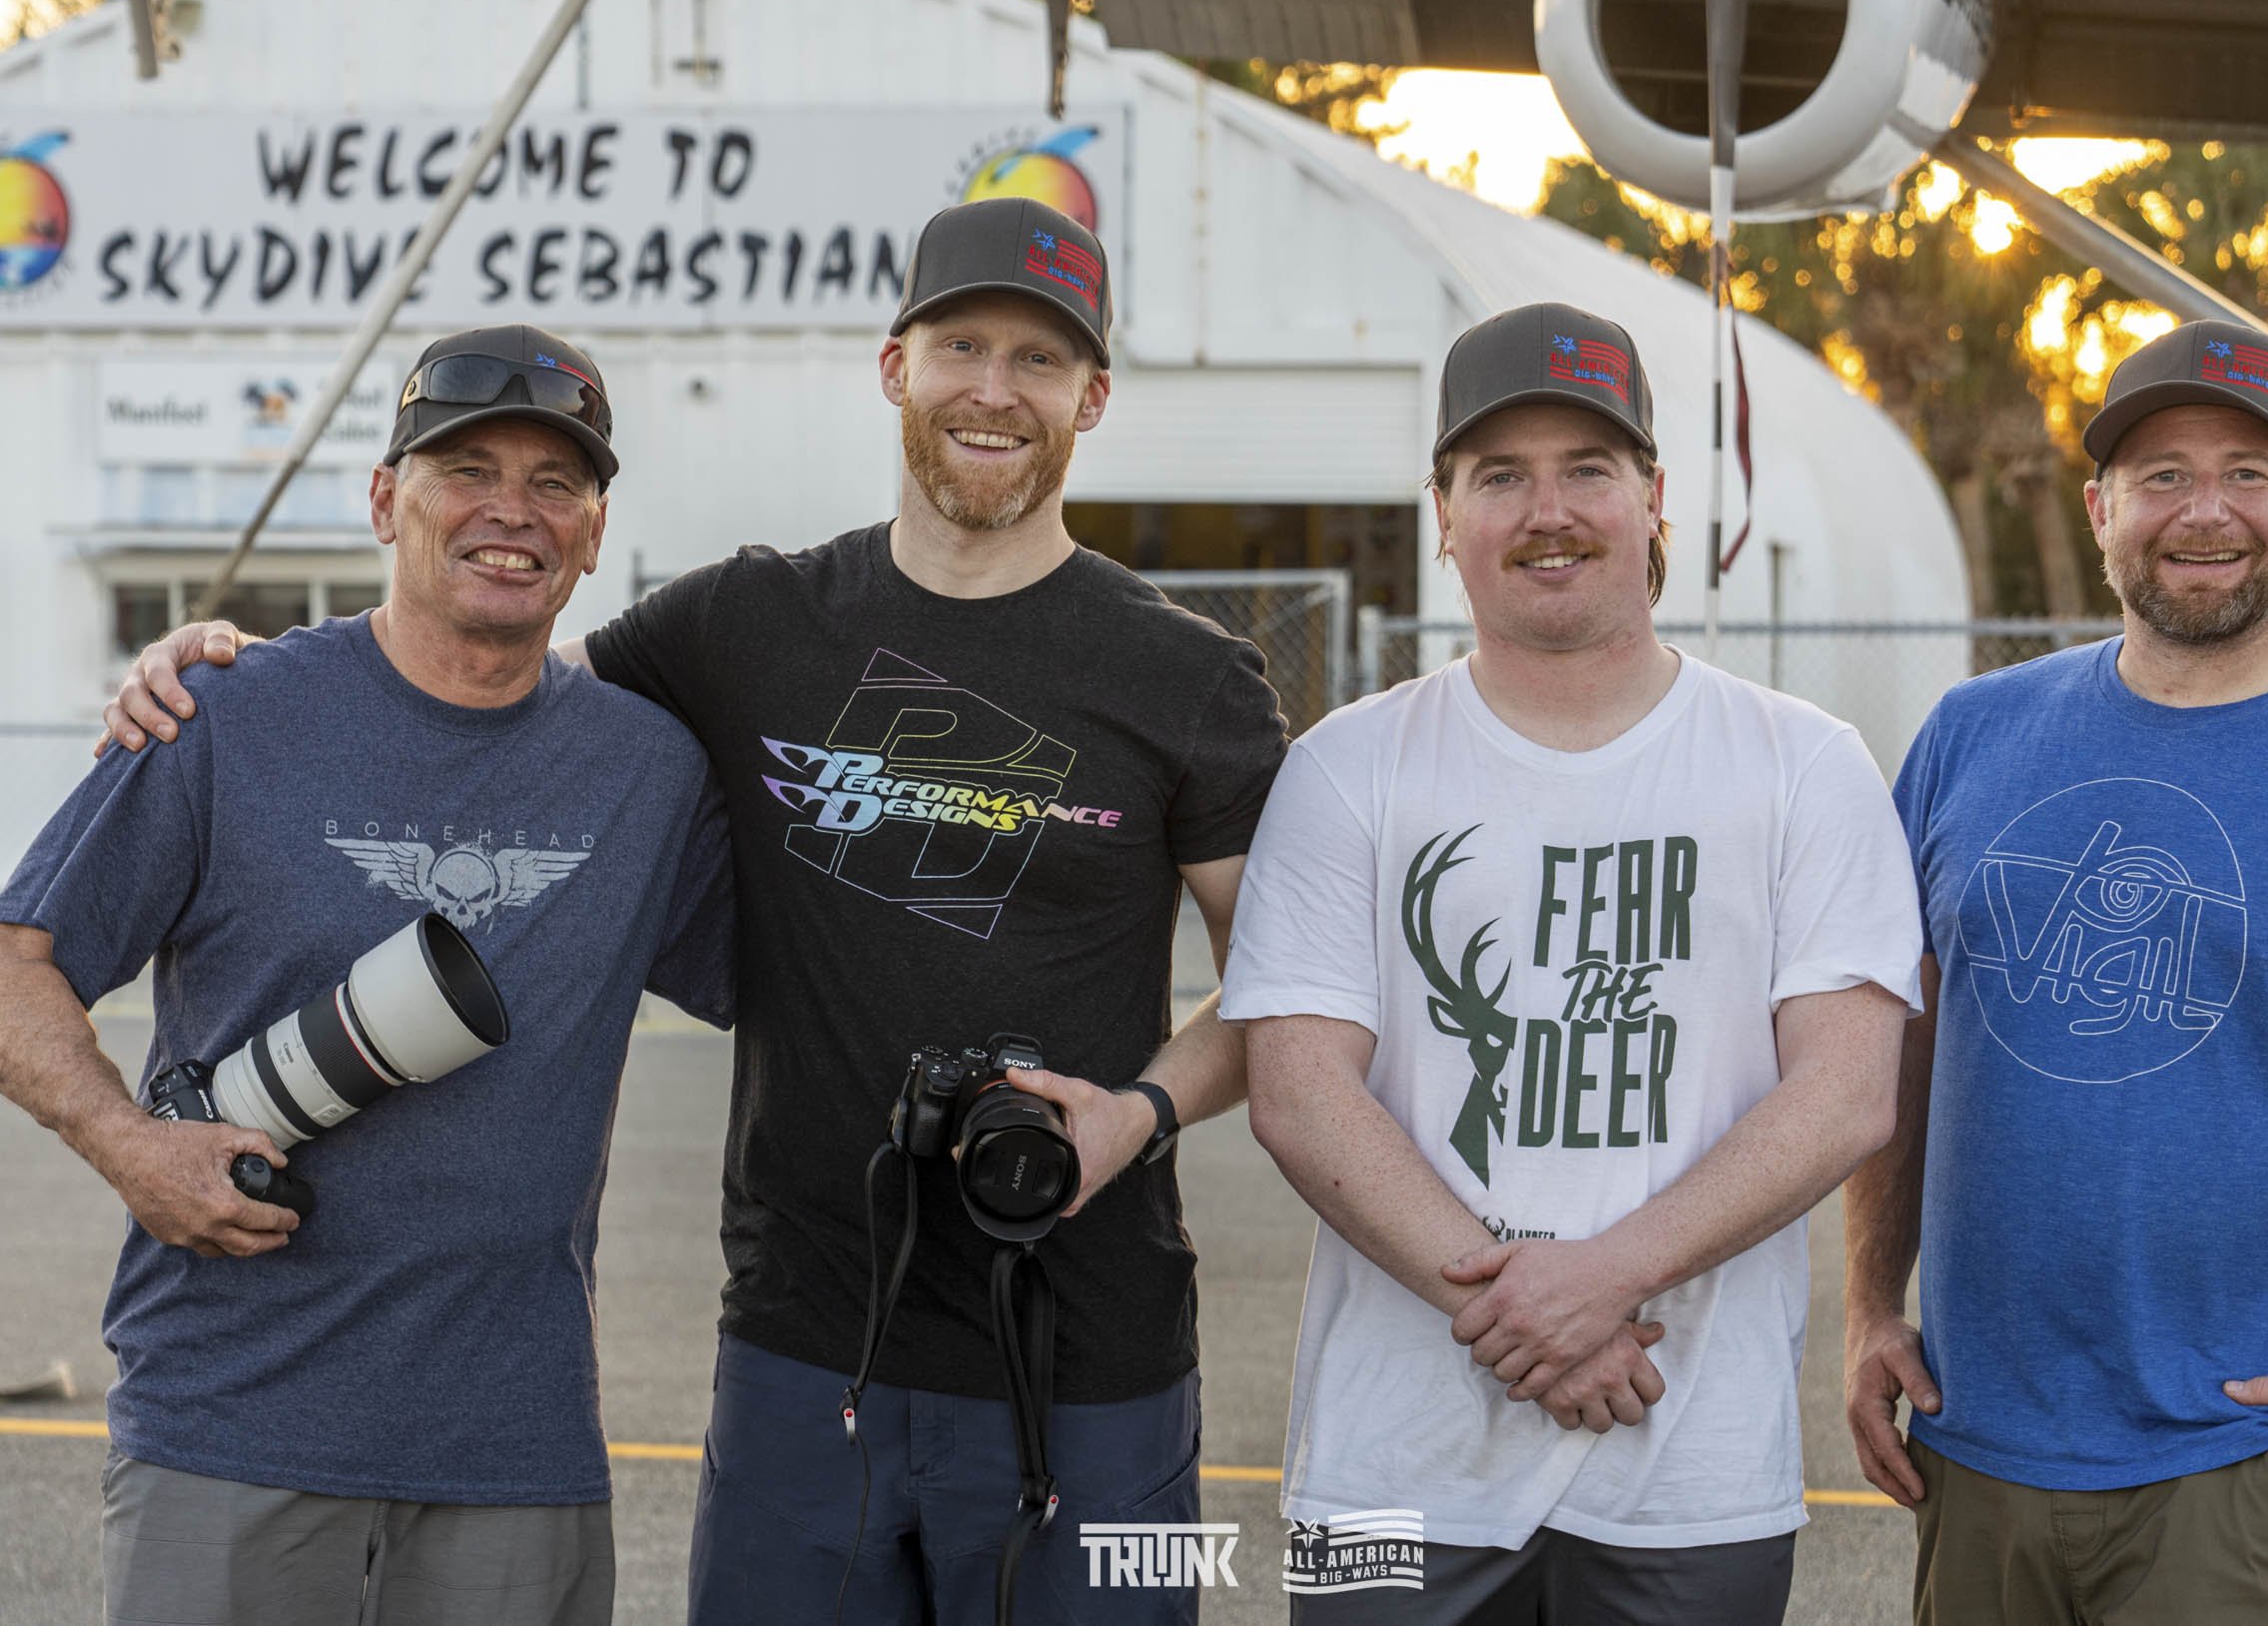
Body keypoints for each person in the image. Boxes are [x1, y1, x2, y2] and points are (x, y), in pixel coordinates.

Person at [109, 197, 1288, 1625]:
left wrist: (1138, 1116)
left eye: (1039, 361)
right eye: (960, 343)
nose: (994, 389)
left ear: (1092, 396)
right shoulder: (743, 624)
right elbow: (487, 689)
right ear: (893, 366)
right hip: (802, 1348)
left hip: (1093, 1352)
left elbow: (1275, 997)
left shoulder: (1191, 680)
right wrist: (237, 668)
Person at [6, 324, 734, 1626]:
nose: (512, 511)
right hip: (230, 1430)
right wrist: (128, 1143)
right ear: (388, 499)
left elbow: (818, 969)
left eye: (555, 482)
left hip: (516, 1457)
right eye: (467, 467)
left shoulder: (650, 773)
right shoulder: (222, 715)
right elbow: (18, 964)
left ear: (594, 529)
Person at [1219, 302, 1923, 1624]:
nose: (1549, 510)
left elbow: (1846, 1097)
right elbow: (1302, 1093)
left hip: (1690, 1473)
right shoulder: (1348, 770)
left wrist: (1610, 1278)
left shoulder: (1801, 765)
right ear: (1442, 511)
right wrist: (1532, 1316)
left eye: (1587, 470)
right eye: (1501, 476)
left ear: (1654, 495)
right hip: (1395, 1475)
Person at [1845, 318, 2268, 1624]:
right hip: (1974, 1453)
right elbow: (1900, 1047)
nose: (2206, 512)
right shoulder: (1973, 739)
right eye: (2161, 476)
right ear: (2100, 510)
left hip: (2238, 1466)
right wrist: (1869, 1306)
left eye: (2249, 472)